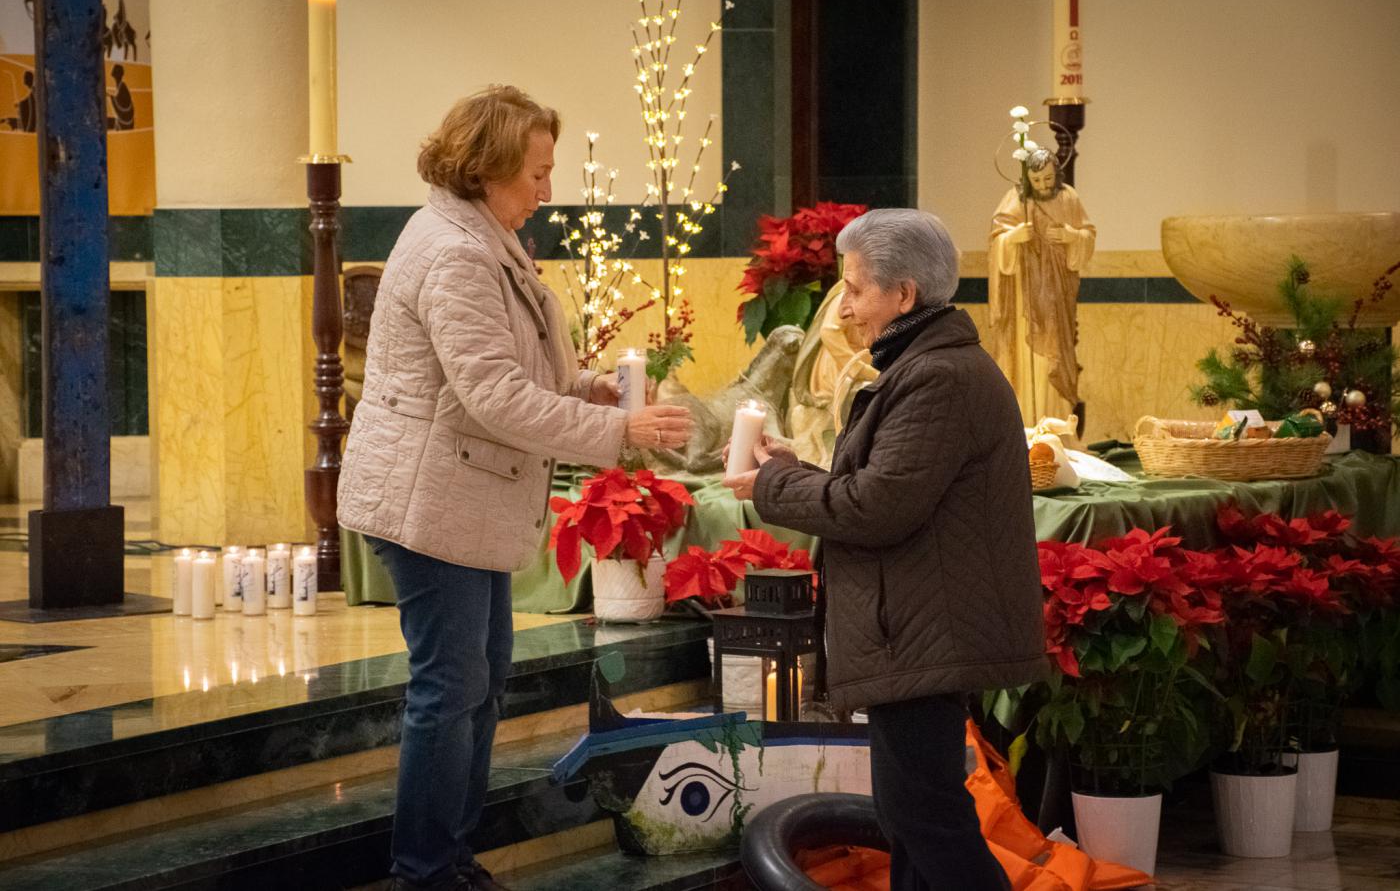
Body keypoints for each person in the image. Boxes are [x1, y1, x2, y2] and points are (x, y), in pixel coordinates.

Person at [338, 85, 692, 891]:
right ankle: (422, 870)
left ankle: (452, 859)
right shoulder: (455, 251)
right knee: (452, 687)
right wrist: (618, 433)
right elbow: (490, 395)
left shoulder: (480, 237)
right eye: (536, 172)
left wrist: (590, 389)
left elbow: (514, 372)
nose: (547, 190)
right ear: (489, 168)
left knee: (481, 680)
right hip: (429, 504)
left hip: (464, 501)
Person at [724, 208, 1046, 891]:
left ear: (904, 296)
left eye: (855, 289)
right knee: (911, 820)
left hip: (926, 632)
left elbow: (875, 507)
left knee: (928, 819)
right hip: (917, 629)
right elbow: (874, 487)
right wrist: (793, 469)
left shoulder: (938, 378)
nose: (843, 310)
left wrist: (771, 485)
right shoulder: (924, 366)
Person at [988, 148, 1095, 425]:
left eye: (1048, 179)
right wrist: (1013, 238)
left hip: (1057, 295)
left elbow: (1088, 234)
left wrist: (1071, 236)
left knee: (1057, 358)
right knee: (1030, 362)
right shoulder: (1016, 199)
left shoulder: (1068, 197)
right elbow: (997, 239)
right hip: (1026, 299)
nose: (1044, 185)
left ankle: (1059, 425)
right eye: (1037, 181)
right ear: (1028, 179)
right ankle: (1027, 425)